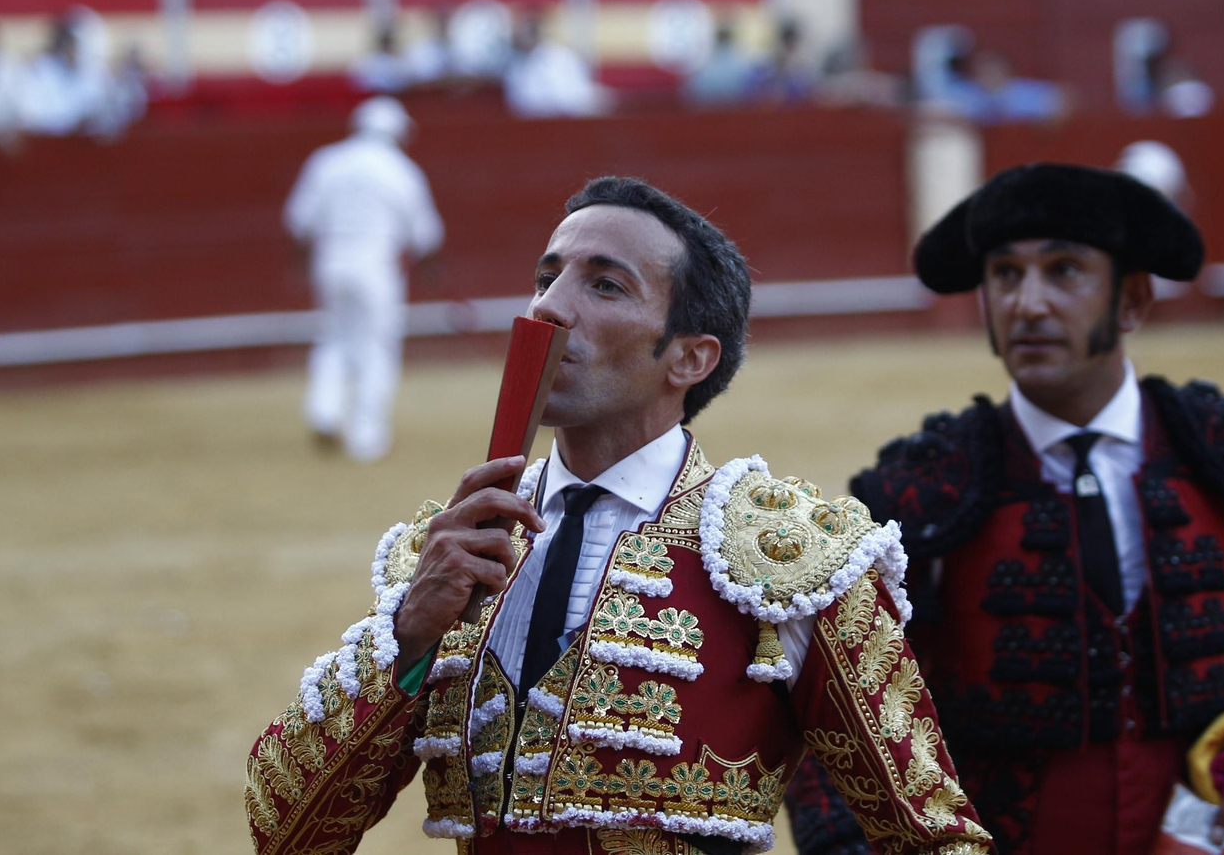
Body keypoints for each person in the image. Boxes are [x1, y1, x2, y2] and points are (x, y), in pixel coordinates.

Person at [246, 176, 993, 855]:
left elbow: (934, 839)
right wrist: (409, 631)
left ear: (689, 359)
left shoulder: (789, 559)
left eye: (605, 285)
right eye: (547, 277)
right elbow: (287, 836)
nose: (549, 307)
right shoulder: (451, 547)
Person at [786, 163, 1224, 855]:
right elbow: (842, 711)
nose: (1027, 303)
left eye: (1064, 271)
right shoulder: (920, 493)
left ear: (1131, 300)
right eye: (1005, 274)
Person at [283, 96, 443, 462]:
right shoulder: (401, 170)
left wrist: (299, 266)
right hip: (376, 264)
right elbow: (425, 236)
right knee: (377, 346)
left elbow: (299, 221)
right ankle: (367, 436)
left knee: (334, 336)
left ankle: (324, 411)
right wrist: (432, 272)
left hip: (330, 261)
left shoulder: (327, 161)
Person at [503, 13, 607, 118]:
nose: (518, 36)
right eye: (517, 32)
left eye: (523, 33)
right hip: (531, 120)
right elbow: (521, 100)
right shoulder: (515, 61)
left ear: (535, 33)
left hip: (567, 117)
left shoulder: (559, 56)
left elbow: (572, 96)